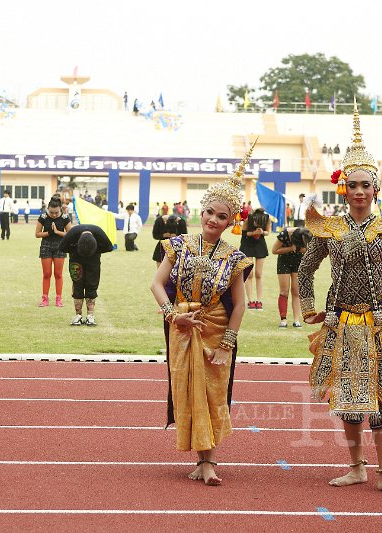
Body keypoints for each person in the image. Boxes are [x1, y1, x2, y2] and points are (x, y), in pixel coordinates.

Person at [299, 105, 382, 496]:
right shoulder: (328, 228)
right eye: (352, 185)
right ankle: (357, 468)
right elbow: (305, 270)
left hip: (378, 322)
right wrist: (308, 307)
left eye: (366, 186)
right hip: (339, 321)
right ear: (343, 188)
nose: (359, 192)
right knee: (349, 400)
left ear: (375, 190)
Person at [150, 143, 254, 486]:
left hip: (216, 331)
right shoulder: (177, 245)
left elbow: (239, 304)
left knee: (212, 392)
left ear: (231, 221)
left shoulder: (234, 256)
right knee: (187, 390)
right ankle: (200, 460)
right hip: (181, 327)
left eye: (222, 216)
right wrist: (172, 316)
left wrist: (227, 343)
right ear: (201, 210)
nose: (213, 220)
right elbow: (156, 283)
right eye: (210, 212)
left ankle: (209, 462)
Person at [59, 224, 114, 326]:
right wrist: (74, 250)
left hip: (94, 261)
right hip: (76, 261)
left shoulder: (99, 233)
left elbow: (109, 247)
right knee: (77, 285)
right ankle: (78, 316)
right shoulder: (72, 233)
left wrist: (96, 250)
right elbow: (61, 247)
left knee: (92, 285)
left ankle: (90, 316)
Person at [35, 198, 72, 307]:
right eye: (51, 212)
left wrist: (57, 232)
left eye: (56, 212)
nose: (54, 215)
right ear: (48, 209)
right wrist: (48, 233)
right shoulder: (43, 217)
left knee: (58, 274)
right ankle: (45, 299)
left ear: (60, 209)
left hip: (60, 246)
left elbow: (70, 234)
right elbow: (37, 234)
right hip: (46, 246)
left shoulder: (65, 217)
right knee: (46, 274)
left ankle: (58, 299)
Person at [273, 226, 311, 327]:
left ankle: (296, 320)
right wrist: (291, 248)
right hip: (284, 261)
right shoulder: (284, 234)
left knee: (296, 291)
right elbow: (274, 250)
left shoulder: (306, 234)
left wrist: (304, 250)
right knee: (284, 291)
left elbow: (309, 251)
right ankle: (283, 319)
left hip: (298, 261)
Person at [239, 207, 270, 310]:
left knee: (258, 274)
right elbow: (244, 234)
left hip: (260, 244)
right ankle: (250, 300)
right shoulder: (249, 218)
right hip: (247, 244)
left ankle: (259, 300)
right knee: (250, 274)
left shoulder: (266, 218)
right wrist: (254, 233)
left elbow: (268, 232)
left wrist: (262, 232)